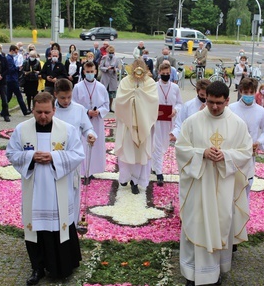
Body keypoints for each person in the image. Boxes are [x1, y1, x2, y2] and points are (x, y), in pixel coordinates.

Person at [175, 81, 252, 286]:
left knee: (220, 224)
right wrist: (202, 153)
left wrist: (226, 156)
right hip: (198, 186)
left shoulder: (237, 124)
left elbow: (246, 152)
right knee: (195, 224)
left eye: (219, 103)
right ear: (205, 98)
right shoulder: (192, 122)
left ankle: (215, 271)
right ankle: (191, 276)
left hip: (223, 187)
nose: (214, 107)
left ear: (228, 101)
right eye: (210, 102)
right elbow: (181, 149)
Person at [6, 91, 85, 286]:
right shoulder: (21, 129)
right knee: (35, 228)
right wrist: (30, 157)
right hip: (34, 190)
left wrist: (54, 157)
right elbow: (11, 153)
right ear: (32, 110)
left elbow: (78, 153)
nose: (43, 116)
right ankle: (37, 268)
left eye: (47, 112)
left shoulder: (66, 130)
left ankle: (62, 267)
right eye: (39, 112)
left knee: (59, 226)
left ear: (54, 110)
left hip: (58, 188)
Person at [54, 78, 97, 223]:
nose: (66, 101)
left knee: (73, 190)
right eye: (62, 97)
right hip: (55, 158)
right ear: (55, 95)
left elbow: (87, 127)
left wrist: (91, 135)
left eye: (69, 97)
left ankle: (73, 222)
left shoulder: (79, 109)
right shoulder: (50, 111)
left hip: (73, 159)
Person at [115, 59, 159, 195]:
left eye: (141, 67)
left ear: (145, 69)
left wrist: (138, 96)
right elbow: (119, 100)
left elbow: (153, 101)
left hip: (143, 125)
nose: (138, 70)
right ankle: (124, 177)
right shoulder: (125, 81)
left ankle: (135, 181)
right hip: (128, 125)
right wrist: (133, 97)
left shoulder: (150, 83)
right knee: (128, 153)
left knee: (139, 155)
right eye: (136, 67)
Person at [230, 78, 264, 198]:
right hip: (233, 153)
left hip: (249, 155)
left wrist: (259, 142)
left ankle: (243, 214)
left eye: (251, 92)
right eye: (245, 92)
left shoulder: (261, 111)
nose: (248, 95)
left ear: (255, 92)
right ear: (240, 91)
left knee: (247, 185)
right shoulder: (231, 109)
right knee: (231, 186)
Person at [72, 61, 109, 184]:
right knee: (84, 145)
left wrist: (99, 111)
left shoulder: (101, 87)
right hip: (83, 121)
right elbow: (74, 104)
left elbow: (106, 105)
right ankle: (84, 172)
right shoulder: (78, 87)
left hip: (97, 122)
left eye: (92, 71)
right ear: (83, 72)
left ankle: (92, 170)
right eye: (87, 72)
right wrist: (87, 111)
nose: (90, 74)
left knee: (95, 146)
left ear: (96, 71)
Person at [152, 62, 182, 186]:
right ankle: (159, 173)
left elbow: (180, 103)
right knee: (157, 145)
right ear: (159, 73)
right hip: (157, 121)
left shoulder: (175, 88)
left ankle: (154, 167)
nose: (165, 75)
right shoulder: (153, 86)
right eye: (163, 73)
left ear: (171, 73)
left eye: (167, 73)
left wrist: (175, 110)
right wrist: (154, 111)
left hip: (170, 120)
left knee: (164, 145)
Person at [6, 45, 29, 116]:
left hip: (11, 79)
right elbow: (10, 69)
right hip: (12, 79)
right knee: (19, 95)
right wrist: (18, 68)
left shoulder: (10, 58)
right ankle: (25, 111)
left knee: (8, 96)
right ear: (12, 50)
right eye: (16, 51)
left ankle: (4, 111)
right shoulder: (9, 59)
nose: (16, 53)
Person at [99, 45, 120, 112]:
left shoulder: (116, 59)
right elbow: (100, 67)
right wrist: (106, 68)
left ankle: (110, 107)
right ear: (107, 52)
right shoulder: (104, 58)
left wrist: (114, 69)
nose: (111, 54)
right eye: (110, 52)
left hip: (112, 78)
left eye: (112, 52)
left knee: (111, 94)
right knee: (104, 93)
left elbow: (119, 69)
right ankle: (103, 106)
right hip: (105, 77)